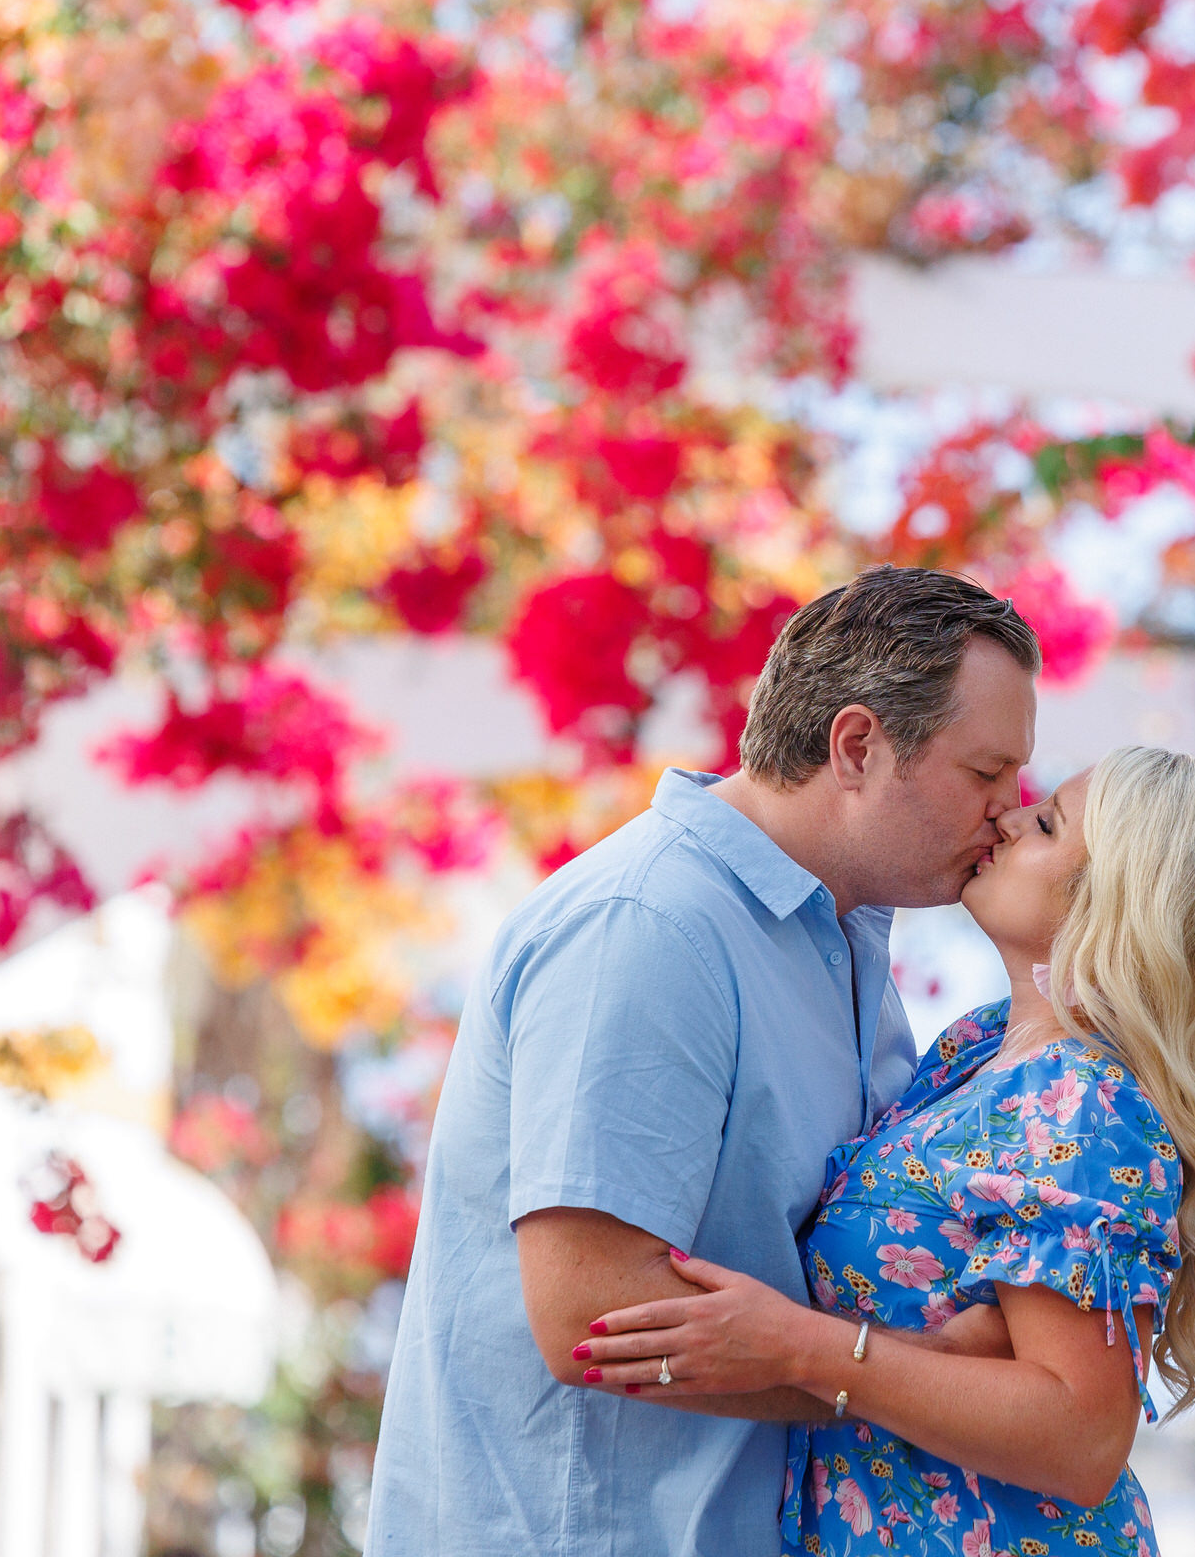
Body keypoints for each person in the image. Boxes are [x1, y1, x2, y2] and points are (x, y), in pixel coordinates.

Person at [367, 566, 1043, 1557]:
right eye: (985, 773)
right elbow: (597, 1314)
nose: (1010, 811)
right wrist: (925, 1373)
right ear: (857, 745)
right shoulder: (650, 926)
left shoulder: (838, 943)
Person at [579, 745, 1195, 1557]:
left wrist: (795, 1345)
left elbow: (1081, 1439)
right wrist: (924, 1352)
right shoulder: (977, 1050)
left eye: (1048, 822)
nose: (1009, 814)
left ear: (1118, 900)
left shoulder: (1082, 1101)